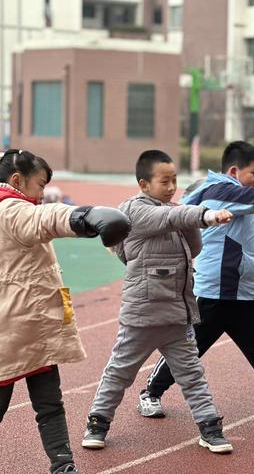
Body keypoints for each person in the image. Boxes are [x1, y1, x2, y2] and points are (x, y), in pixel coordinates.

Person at [139, 141, 254, 427]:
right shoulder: (221, 191)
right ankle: (151, 392)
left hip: (245, 291)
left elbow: (247, 218)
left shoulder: (236, 197)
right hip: (215, 291)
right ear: (235, 171)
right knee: (189, 348)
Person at [82, 150, 235, 454]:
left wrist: (190, 220)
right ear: (143, 183)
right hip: (143, 314)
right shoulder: (134, 212)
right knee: (120, 372)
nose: (171, 187)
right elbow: (167, 217)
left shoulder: (173, 212)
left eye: (175, 180)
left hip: (177, 314)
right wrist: (203, 215)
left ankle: (209, 428)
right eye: (165, 181)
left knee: (192, 374)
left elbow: (193, 248)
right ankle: (97, 423)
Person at [0, 149, 131, 474]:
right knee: (46, 406)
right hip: (16, 331)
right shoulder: (10, 209)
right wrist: (84, 218)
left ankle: (63, 466)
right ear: (17, 180)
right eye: (40, 184)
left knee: (50, 405)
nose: (43, 193)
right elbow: (45, 219)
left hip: (31, 329)